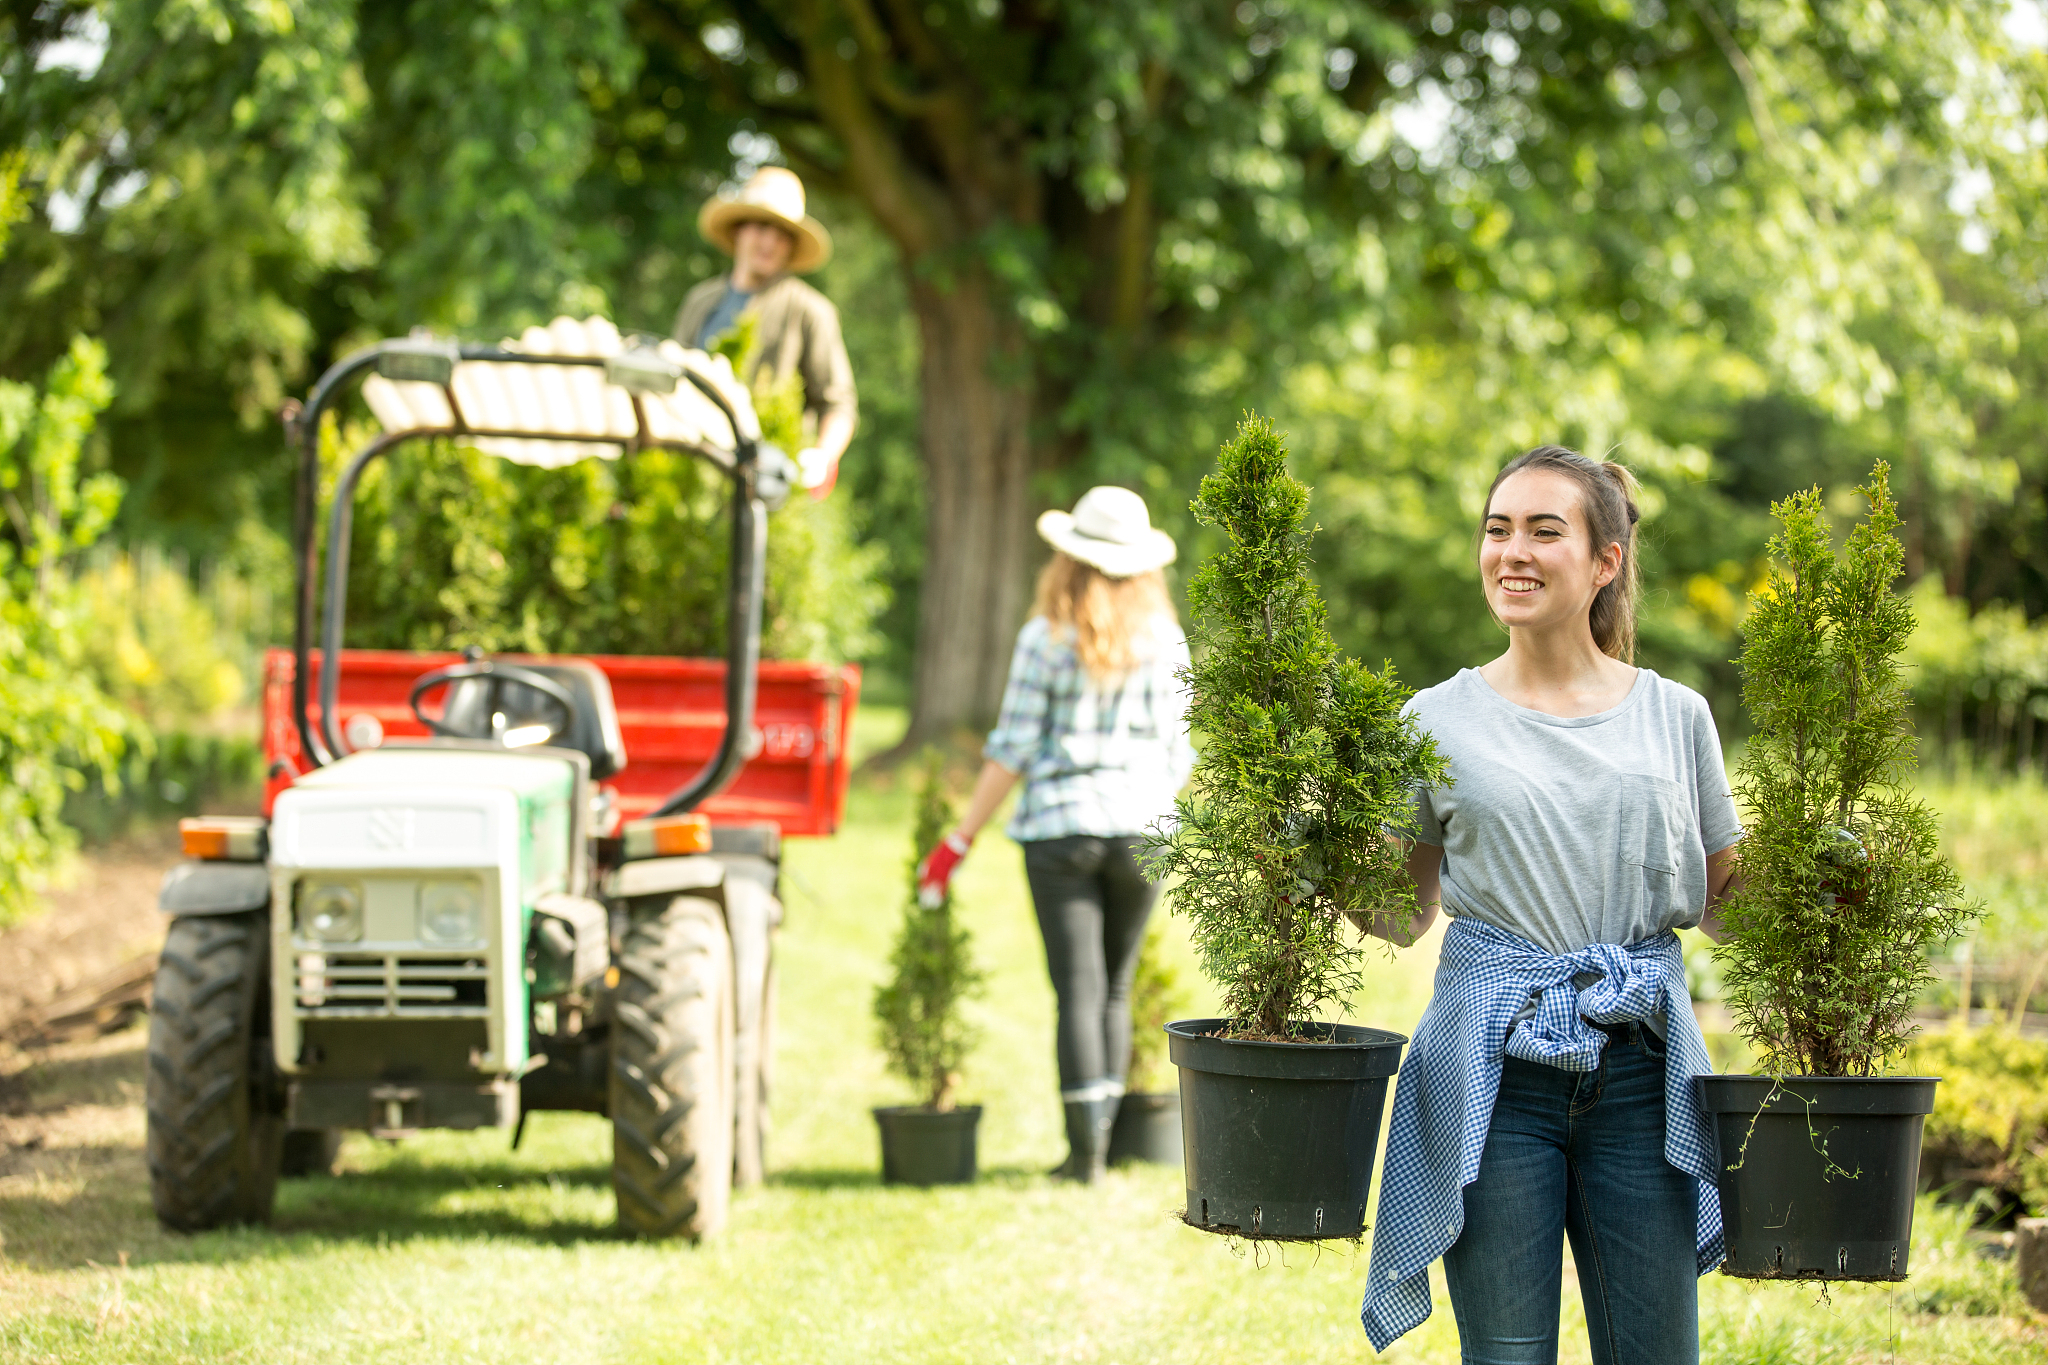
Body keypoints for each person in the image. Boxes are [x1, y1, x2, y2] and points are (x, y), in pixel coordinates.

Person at [1359, 447, 1743, 1365]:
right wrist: (1313, 858)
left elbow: (1726, 904)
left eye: (1543, 529)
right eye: (1497, 529)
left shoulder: (1674, 715)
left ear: (1605, 559)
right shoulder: (1435, 719)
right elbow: (1402, 913)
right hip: (1494, 1072)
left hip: (1642, 1075)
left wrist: (1828, 890)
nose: (1512, 552)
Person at [914, 486, 1195, 1182]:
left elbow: (1010, 746)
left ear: (1067, 559)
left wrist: (960, 838)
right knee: (1114, 988)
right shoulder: (1166, 640)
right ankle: (1102, 1142)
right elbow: (1182, 747)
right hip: (1143, 831)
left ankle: (1085, 1156)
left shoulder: (1046, 637)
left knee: (1077, 988)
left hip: (1060, 831)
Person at [674, 167, 857, 498]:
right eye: (761, 228)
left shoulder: (808, 311)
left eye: (783, 234)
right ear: (740, 230)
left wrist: (823, 456)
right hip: (690, 470)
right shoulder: (700, 301)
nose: (770, 242)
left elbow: (838, 403)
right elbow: (672, 375)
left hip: (764, 480)